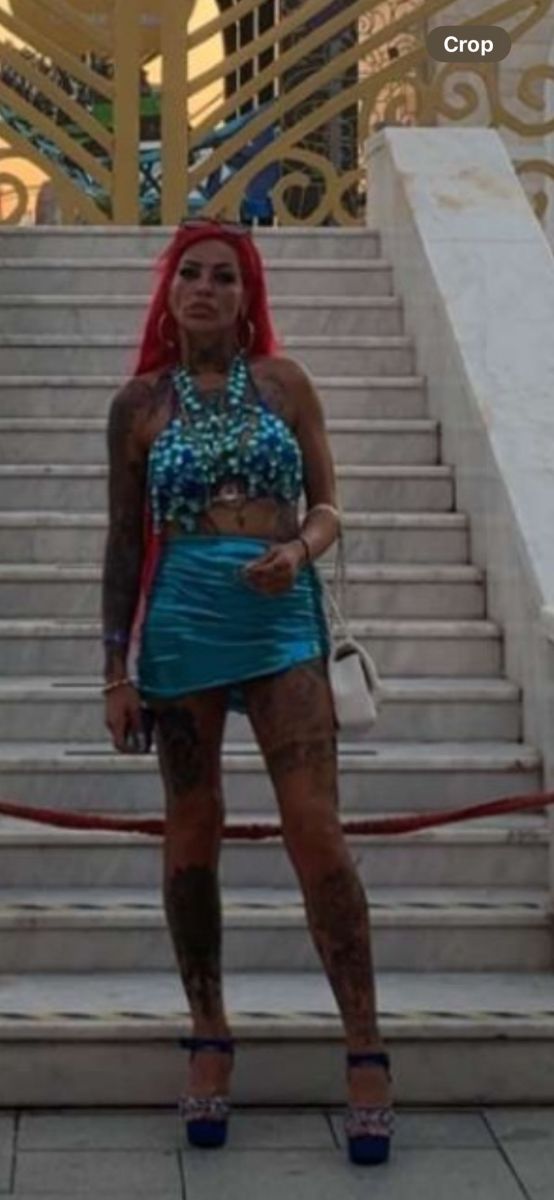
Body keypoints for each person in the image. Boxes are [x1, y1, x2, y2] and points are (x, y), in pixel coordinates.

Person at [101, 218, 394, 1166]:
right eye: (190, 273)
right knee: (193, 828)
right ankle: (209, 1035)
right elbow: (122, 541)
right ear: (169, 291)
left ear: (247, 295)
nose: (205, 288)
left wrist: (298, 551)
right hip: (183, 621)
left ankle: (365, 1047)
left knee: (316, 827)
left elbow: (329, 505)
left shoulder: (285, 384)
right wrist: (115, 669)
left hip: (280, 619)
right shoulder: (139, 404)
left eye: (225, 276)